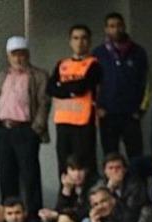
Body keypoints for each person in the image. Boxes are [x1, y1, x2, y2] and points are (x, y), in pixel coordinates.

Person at [0, 37, 49, 217]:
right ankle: (9, 217)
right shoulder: (2, 75)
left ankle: (33, 218)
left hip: (25, 130)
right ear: (8, 56)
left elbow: (43, 103)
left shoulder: (38, 75)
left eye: (21, 54)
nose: (18, 59)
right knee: (6, 176)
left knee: (30, 176)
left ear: (27, 55)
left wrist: (35, 129)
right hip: (3, 130)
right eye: (14, 55)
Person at [92, 12, 148, 158]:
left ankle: (137, 182)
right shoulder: (98, 53)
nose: (116, 29)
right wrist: (97, 108)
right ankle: (112, 182)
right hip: (107, 114)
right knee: (110, 156)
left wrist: (140, 110)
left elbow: (145, 82)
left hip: (131, 114)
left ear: (124, 27)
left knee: (136, 155)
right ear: (106, 29)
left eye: (119, 26)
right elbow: (92, 84)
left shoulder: (138, 52)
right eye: (111, 26)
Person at [47, 24, 101, 174]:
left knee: (84, 166)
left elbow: (82, 87)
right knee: (64, 167)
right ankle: (66, 196)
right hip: (63, 122)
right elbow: (50, 88)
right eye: (75, 38)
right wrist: (70, 90)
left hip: (84, 123)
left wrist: (63, 87)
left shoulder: (94, 64)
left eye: (84, 38)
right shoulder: (62, 64)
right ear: (70, 41)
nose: (79, 42)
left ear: (89, 41)